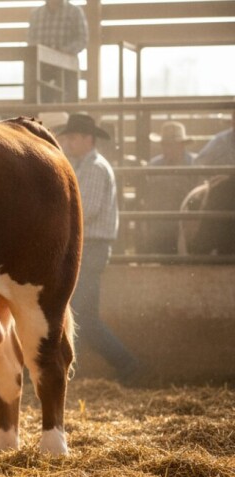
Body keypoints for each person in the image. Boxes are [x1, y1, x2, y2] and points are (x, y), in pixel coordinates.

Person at [56, 113, 140, 383]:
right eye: (67, 137)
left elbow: (86, 210)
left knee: (78, 313)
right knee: (86, 318)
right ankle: (128, 365)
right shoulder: (86, 165)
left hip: (90, 247)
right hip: (89, 247)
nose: (68, 142)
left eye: (72, 137)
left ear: (86, 139)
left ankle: (66, 373)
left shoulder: (93, 168)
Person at [140, 121, 198, 254]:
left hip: (187, 222)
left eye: (172, 145)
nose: (167, 149)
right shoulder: (154, 165)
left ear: (182, 145)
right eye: (165, 145)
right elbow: (147, 196)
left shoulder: (195, 164)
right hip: (161, 223)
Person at [27, 0, 88, 103]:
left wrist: (62, 52)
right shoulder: (36, 14)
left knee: (70, 103)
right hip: (42, 67)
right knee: (40, 100)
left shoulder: (75, 12)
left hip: (68, 68)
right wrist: (45, 52)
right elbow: (31, 40)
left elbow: (82, 40)